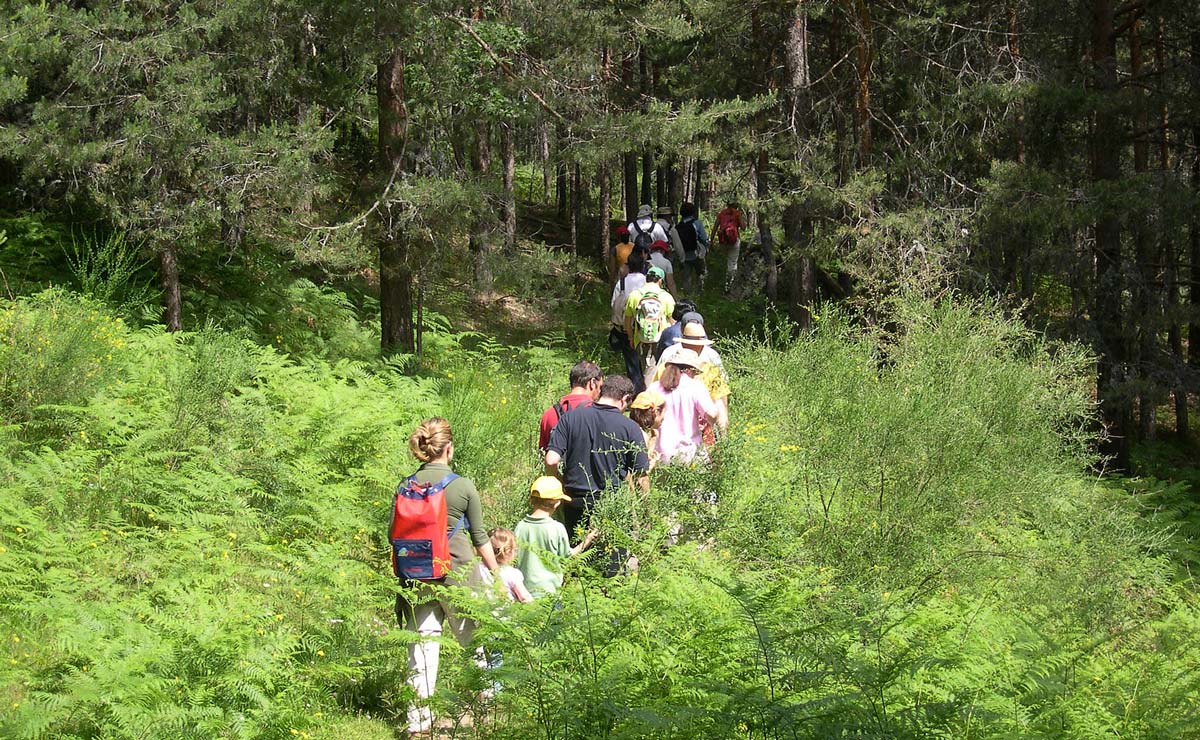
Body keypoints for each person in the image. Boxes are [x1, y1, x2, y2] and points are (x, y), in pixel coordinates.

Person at [397, 418, 500, 737]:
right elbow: (481, 537)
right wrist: (497, 575)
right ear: (449, 448)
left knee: (422, 647)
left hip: (417, 574)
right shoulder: (463, 485)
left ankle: (418, 723)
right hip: (458, 574)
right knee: (474, 643)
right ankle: (486, 712)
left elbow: (394, 534)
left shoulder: (405, 486)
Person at [544, 375, 650, 543]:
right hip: (612, 504)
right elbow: (640, 476)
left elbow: (551, 460)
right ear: (625, 399)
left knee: (578, 561)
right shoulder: (630, 428)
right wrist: (647, 511)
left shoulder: (570, 418)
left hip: (575, 502)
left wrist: (559, 482)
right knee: (611, 563)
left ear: (601, 391)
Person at [514, 476, 599, 598]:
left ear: (532, 499)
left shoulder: (520, 526)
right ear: (557, 502)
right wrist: (588, 539)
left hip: (524, 592)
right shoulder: (557, 528)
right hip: (550, 592)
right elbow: (569, 556)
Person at [645, 349, 724, 465]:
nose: (694, 375)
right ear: (689, 370)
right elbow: (711, 415)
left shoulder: (654, 388)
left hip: (660, 455)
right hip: (691, 453)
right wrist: (718, 408)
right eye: (695, 372)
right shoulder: (695, 387)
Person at [656, 321, 730, 444]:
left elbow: (652, 399)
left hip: (666, 435)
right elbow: (721, 405)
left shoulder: (665, 368)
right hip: (699, 437)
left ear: (682, 343)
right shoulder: (710, 371)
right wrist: (724, 438)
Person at [623, 266, 675, 383]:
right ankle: (648, 396)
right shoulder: (666, 296)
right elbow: (673, 321)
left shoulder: (635, 295)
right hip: (661, 339)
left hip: (640, 338)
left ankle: (643, 393)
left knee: (644, 367)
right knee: (655, 369)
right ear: (660, 280)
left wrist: (631, 337)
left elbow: (627, 320)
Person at [538, 360, 603, 451]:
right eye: (600, 387)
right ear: (592, 383)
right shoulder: (598, 413)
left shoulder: (549, 414)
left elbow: (543, 454)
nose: (600, 392)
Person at [610, 257, 647, 392]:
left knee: (631, 361)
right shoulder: (648, 281)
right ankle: (647, 389)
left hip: (626, 328)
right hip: (647, 327)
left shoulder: (622, 282)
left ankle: (636, 390)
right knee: (647, 360)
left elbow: (614, 304)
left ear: (629, 266)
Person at [484, 528, 534, 603]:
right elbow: (524, 597)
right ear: (510, 551)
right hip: (505, 613)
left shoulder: (478, 568)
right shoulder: (512, 573)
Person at [627, 389, 666, 472]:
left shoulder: (649, 432)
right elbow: (641, 472)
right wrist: (653, 462)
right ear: (656, 412)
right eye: (663, 412)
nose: (664, 417)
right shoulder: (641, 435)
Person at [712, 201, 745, 292]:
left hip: (723, 241)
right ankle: (730, 285)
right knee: (733, 262)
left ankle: (720, 283)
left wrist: (711, 241)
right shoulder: (737, 213)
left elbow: (715, 228)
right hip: (734, 241)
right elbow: (743, 227)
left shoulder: (722, 213)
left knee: (724, 262)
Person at [677, 202, 708, 294]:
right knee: (700, 274)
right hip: (696, 253)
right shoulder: (697, 223)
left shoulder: (678, 226)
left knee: (686, 277)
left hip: (684, 255)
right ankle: (699, 293)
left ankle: (687, 294)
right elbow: (703, 237)